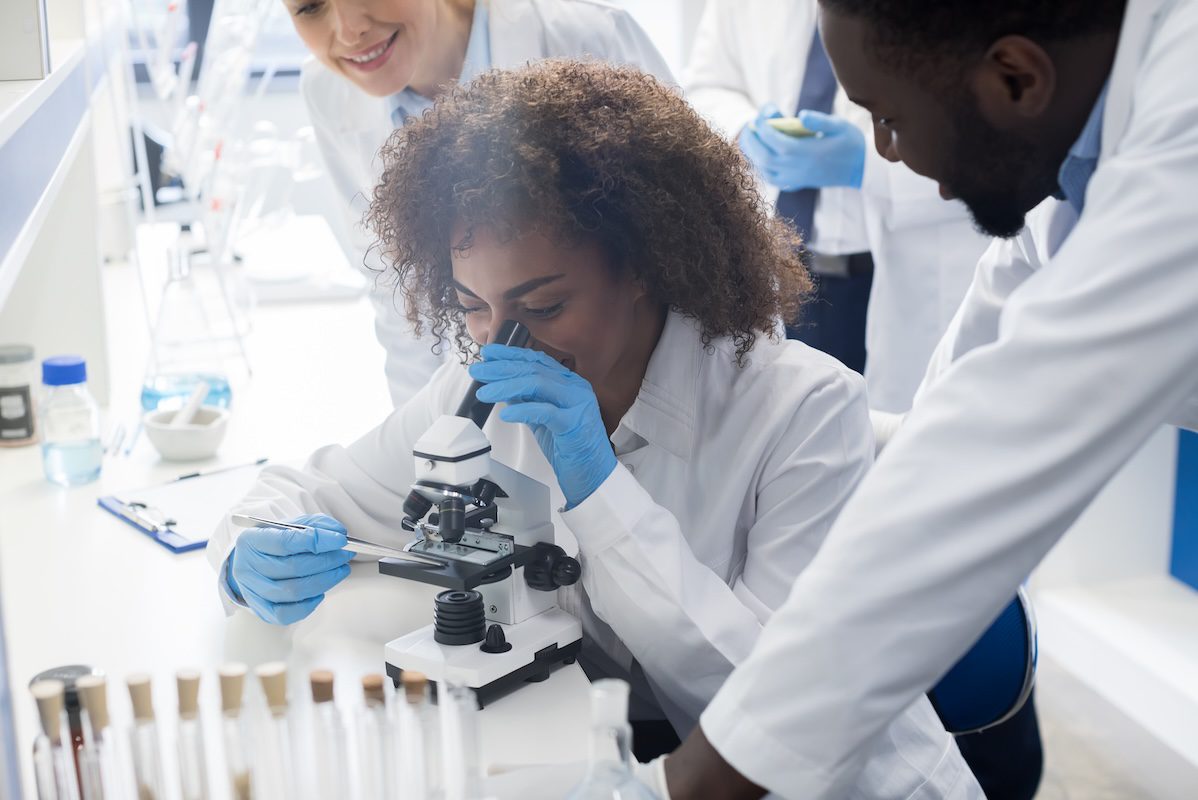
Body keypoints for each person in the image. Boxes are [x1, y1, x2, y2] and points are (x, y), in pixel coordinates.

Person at [208, 60, 982, 797]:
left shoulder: (806, 411)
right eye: (473, 306)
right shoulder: (482, 389)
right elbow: (310, 488)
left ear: (644, 262)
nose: (501, 342)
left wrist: (599, 490)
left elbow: (760, 703)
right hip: (640, 761)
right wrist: (248, 553)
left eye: (543, 307)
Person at [652, 0, 1198, 798]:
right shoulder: (1066, 171)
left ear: (1016, 78)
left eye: (889, 118)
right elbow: (947, 420)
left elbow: (976, 470)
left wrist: (695, 782)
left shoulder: (1183, 136)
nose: (886, 153)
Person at [285, 0, 673, 405]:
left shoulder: (585, 36)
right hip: (488, 401)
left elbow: (690, 237)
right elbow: (397, 295)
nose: (349, 31)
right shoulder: (328, 91)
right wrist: (426, 439)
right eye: (310, 7)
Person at [685, 0, 992, 413]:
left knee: (890, 439)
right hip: (775, 270)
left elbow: (994, 137)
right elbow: (708, 83)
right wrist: (743, 131)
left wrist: (867, 162)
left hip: (892, 278)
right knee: (781, 434)